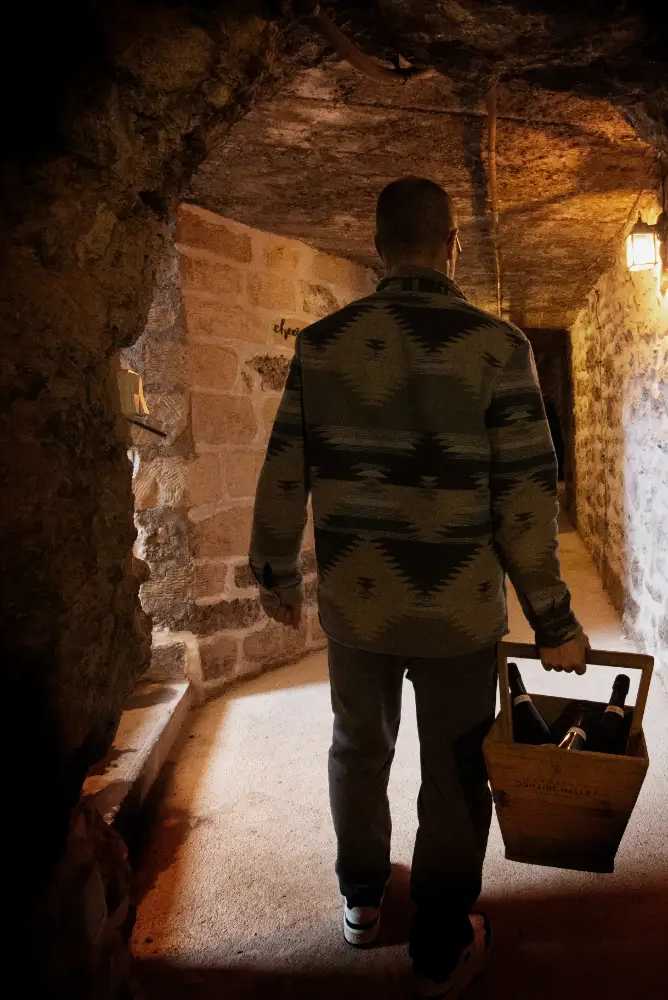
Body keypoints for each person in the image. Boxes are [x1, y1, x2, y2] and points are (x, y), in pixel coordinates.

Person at [247, 177, 588, 998]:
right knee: (458, 766)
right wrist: (554, 619)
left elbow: (285, 469)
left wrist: (274, 570)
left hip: (359, 604)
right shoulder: (499, 348)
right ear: (453, 246)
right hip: (459, 612)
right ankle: (439, 944)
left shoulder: (322, 345)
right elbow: (525, 504)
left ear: (377, 247)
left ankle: (361, 901)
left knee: (357, 750)